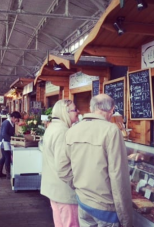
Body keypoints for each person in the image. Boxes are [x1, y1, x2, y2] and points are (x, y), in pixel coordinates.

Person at [57, 94, 133, 227]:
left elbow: (62, 169)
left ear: (92, 108)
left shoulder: (73, 130)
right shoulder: (111, 130)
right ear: (112, 109)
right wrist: (126, 219)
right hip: (105, 208)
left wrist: (78, 185)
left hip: (83, 202)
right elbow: (118, 177)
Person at [41, 99, 80, 227]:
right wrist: (78, 185)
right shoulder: (63, 131)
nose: (78, 112)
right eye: (75, 110)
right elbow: (63, 167)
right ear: (65, 112)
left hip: (53, 188)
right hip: (64, 192)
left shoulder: (52, 127)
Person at [0, 111, 21, 179]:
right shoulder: (6, 122)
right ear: (13, 117)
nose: (17, 120)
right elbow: (4, 134)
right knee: (7, 157)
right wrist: (11, 139)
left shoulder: (11, 122)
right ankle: (8, 174)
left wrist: (14, 136)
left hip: (6, 141)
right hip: (3, 142)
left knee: (4, 157)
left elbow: (10, 133)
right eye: (16, 119)